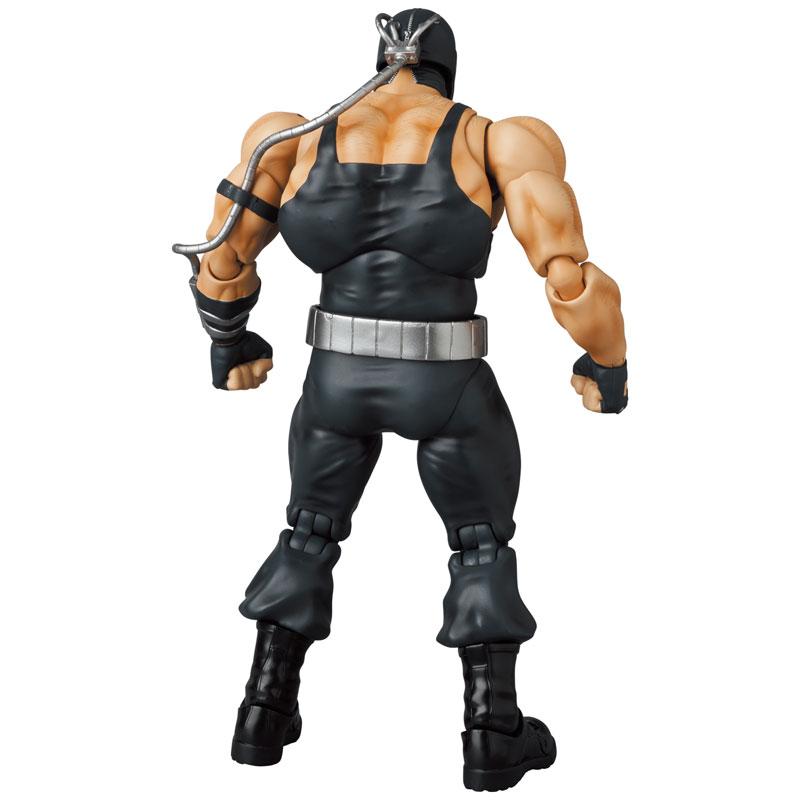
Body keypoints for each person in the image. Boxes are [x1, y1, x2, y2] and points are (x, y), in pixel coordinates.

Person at [186, 8, 627, 791]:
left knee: (308, 534)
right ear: (447, 69)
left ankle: (262, 714)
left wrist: (231, 342)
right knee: (480, 546)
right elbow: (568, 276)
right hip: (445, 383)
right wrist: (607, 363)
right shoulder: (498, 139)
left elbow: (220, 258)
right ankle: (492, 733)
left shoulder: (290, 137)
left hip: (336, 381)